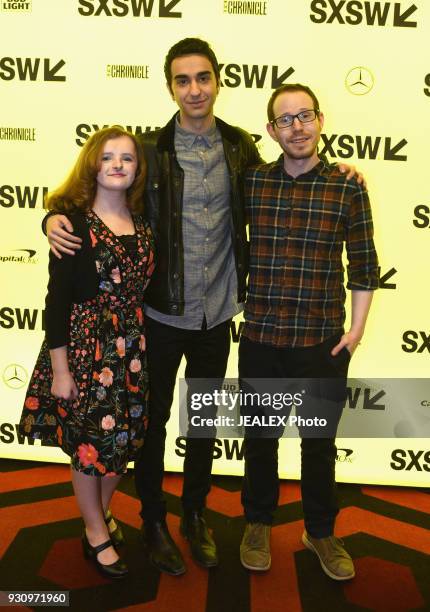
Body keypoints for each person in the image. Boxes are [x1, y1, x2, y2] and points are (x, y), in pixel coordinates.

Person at [43, 39, 363, 576]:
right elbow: (98, 196)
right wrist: (51, 218)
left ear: (218, 81)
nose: (194, 89)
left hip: (218, 316)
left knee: (203, 423)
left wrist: (345, 174)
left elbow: (291, 180)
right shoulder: (148, 149)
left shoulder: (240, 148)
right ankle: (154, 521)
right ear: (171, 87)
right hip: (160, 315)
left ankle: (194, 516)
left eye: (203, 78)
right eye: (182, 80)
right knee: (152, 423)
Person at [238, 84, 378, 580]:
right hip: (260, 340)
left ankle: (319, 530)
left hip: (322, 343)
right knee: (260, 439)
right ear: (271, 130)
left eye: (305, 116)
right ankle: (257, 522)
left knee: (318, 445)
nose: (296, 127)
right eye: (285, 119)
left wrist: (355, 332)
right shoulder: (252, 182)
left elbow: (363, 265)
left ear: (320, 120)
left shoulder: (347, 185)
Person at [20, 126, 155, 579]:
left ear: (138, 170)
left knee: (120, 446)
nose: (118, 164)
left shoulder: (145, 223)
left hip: (130, 353)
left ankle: (98, 513)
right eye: (108, 157)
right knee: (88, 449)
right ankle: (96, 530)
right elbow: (55, 302)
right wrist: (62, 371)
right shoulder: (72, 225)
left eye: (128, 158)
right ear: (93, 166)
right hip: (83, 352)